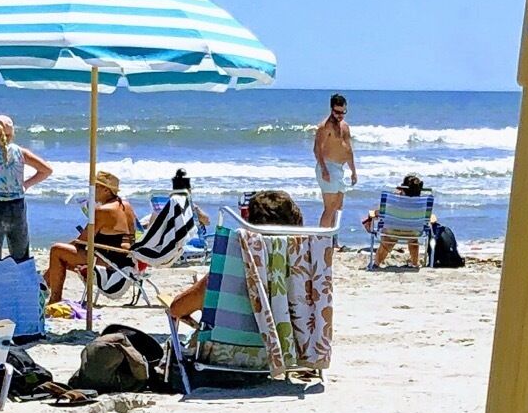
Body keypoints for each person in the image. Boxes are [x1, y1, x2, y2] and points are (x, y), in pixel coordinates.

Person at [167, 188, 304, 322]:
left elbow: (177, 309)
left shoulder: (232, 264)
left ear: (249, 228)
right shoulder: (307, 270)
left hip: (232, 343)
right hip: (290, 344)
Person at [42, 169, 135, 304]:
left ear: (107, 191)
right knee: (63, 256)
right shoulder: (126, 206)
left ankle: (52, 295)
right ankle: (43, 286)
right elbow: (132, 235)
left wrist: (71, 245)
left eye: (97, 187)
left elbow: (82, 241)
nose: (92, 190)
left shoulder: (103, 210)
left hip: (109, 263)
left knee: (57, 251)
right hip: (125, 261)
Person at [0, 115, 51, 266]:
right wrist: (25, 185)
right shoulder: (20, 152)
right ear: (11, 133)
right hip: (17, 207)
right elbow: (46, 170)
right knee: (21, 258)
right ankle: (21, 287)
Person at [365, 174, 429, 268]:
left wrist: (373, 213)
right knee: (413, 240)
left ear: (403, 189)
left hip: (392, 231)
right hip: (413, 232)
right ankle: (415, 263)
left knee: (388, 239)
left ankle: (376, 263)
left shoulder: (393, 202)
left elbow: (378, 213)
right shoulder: (421, 204)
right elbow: (429, 218)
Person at [313, 94, 357, 228]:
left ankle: (333, 240)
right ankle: (322, 240)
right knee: (330, 207)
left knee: (338, 207)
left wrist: (353, 171)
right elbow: (317, 150)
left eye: (343, 112)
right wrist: (324, 170)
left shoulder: (345, 126)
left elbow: (348, 150)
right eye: (337, 112)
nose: (340, 115)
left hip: (340, 168)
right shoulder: (325, 127)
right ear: (331, 109)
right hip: (328, 167)